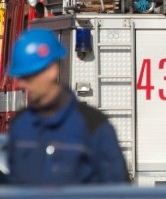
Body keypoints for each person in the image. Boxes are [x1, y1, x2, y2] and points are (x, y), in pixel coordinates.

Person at [6, 29, 130, 185]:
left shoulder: (93, 125)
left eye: (28, 76)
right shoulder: (20, 125)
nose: (22, 84)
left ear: (51, 70)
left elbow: (119, 191)